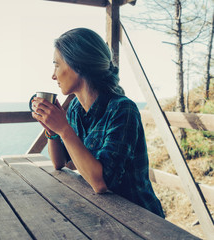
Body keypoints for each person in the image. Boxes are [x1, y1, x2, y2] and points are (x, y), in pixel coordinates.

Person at [31, 28, 165, 218]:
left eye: (56, 65)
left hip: (141, 217)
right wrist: (52, 130)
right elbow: (59, 162)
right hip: (107, 212)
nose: (53, 75)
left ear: (78, 66)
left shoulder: (123, 110)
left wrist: (64, 129)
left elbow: (101, 183)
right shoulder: (77, 108)